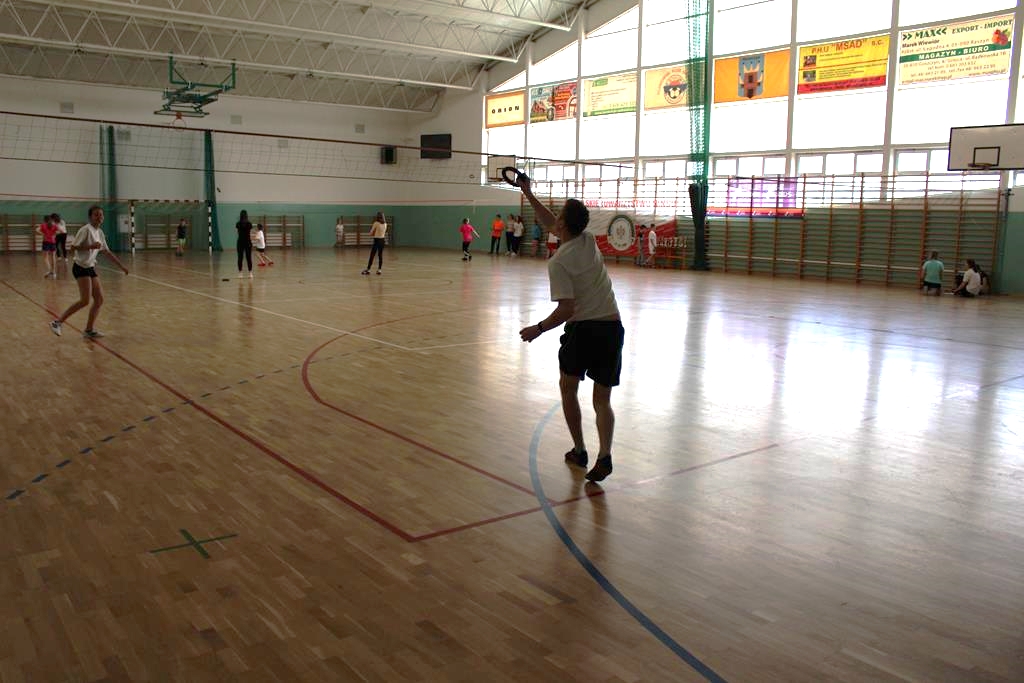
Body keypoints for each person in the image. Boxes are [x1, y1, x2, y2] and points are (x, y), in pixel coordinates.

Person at [515, 176, 624, 483]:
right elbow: (552, 222)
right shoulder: (587, 240)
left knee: (568, 388)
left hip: (583, 330)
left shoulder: (559, 261)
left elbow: (567, 309)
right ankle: (605, 455)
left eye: (559, 216)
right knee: (602, 400)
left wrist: (538, 328)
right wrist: (528, 193)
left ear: (563, 224)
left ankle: (579, 449)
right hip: (612, 327)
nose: (555, 220)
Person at [49, 205, 128, 339]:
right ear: (90, 217)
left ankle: (89, 330)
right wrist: (90, 246)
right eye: (96, 214)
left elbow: (106, 252)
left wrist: (121, 266)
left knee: (99, 299)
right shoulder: (85, 230)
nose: (99, 217)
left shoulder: (100, 233)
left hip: (90, 267)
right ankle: (57, 322)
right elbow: (73, 248)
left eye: (101, 214)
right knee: (85, 300)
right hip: (80, 267)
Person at [236, 210, 254, 279]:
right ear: (246, 215)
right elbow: (250, 233)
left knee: (240, 258)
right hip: (248, 242)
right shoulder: (249, 224)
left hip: (240, 242)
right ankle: (250, 273)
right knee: (249, 258)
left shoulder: (238, 224)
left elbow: (237, 233)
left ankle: (240, 273)